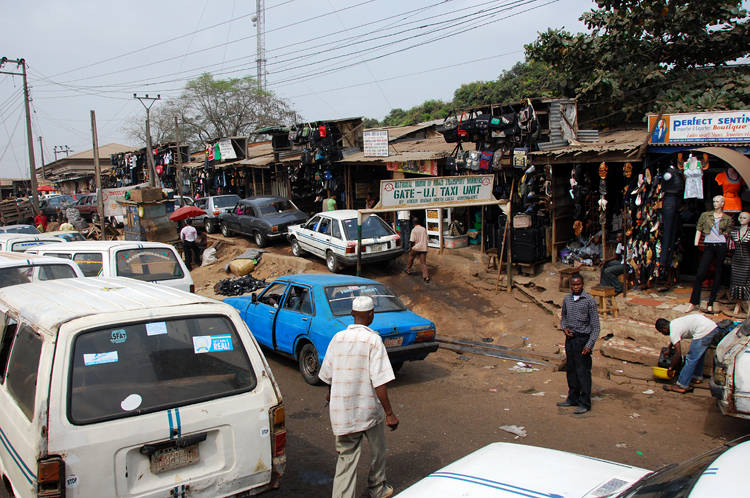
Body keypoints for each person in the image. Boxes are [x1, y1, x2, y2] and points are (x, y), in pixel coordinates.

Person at [318, 296, 399, 498]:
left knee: (346, 457)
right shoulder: (373, 340)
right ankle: (377, 488)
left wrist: (330, 394)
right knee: (378, 451)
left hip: (343, 411)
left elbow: (327, 374)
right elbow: (380, 380)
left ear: (352, 314)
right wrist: (389, 413)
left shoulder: (338, 338)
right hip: (369, 411)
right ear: (371, 315)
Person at [557, 273, 600, 414]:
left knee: (583, 372)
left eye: (578, 284)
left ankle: (584, 403)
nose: (576, 287)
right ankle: (572, 398)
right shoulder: (567, 299)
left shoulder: (589, 301)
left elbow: (596, 327)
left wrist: (589, 345)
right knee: (571, 370)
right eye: (573, 285)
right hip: (570, 339)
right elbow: (563, 317)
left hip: (583, 340)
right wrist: (565, 328)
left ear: (582, 285)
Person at [686, 196, 733, 314]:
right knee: (701, 272)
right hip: (709, 246)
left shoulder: (727, 218)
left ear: (722, 203)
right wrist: (696, 244)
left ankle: (711, 302)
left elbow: (728, 232)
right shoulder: (705, 215)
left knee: (718, 273)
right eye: (714, 201)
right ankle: (693, 301)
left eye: (717, 202)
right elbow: (699, 229)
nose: (715, 203)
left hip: (721, 246)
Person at [655, 315, 719, 394]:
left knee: (691, 358)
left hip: (704, 330)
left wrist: (671, 368)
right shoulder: (675, 323)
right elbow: (675, 339)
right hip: (712, 328)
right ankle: (697, 376)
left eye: (662, 332)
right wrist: (669, 348)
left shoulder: (674, 331)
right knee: (699, 355)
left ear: (664, 328)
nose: (663, 334)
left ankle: (681, 385)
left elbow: (678, 354)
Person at [730, 212, 750, 317]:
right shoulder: (734, 233)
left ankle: (748, 305)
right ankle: (738, 304)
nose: (742, 219)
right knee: (736, 281)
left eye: (744, 218)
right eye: (740, 217)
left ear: (749, 220)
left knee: (746, 282)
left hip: (747, 260)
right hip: (736, 260)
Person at [405, 217, 429, 283]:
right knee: (423, 262)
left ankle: (408, 269)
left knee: (411, 258)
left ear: (413, 223)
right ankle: (426, 277)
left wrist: (411, 247)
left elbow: (412, 241)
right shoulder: (423, 229)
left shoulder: (414, 230)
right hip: (424, 247)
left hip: (416, 247)